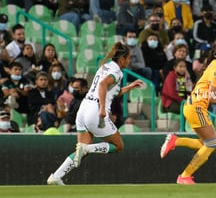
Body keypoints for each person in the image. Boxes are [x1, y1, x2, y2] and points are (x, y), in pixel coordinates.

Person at [47, 42, 144, 185]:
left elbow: (111, 91)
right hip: (95, 111)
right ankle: (86, 148)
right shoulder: (117, 72)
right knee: (118, 146)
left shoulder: (105, 66)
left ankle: (56, 176)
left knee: (81, 152)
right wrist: (103, 108)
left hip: (84, 108)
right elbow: (103, 85)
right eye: (128, 58)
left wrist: (129, 87)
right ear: (122, 59)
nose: (129, 61)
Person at [159, 37, 216, 184]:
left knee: (206, 144)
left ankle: (176, 141)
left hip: (195, 107)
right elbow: (212, 97)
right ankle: (184, 176)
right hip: (197, 107)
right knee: (212, 144)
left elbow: (215, 93)